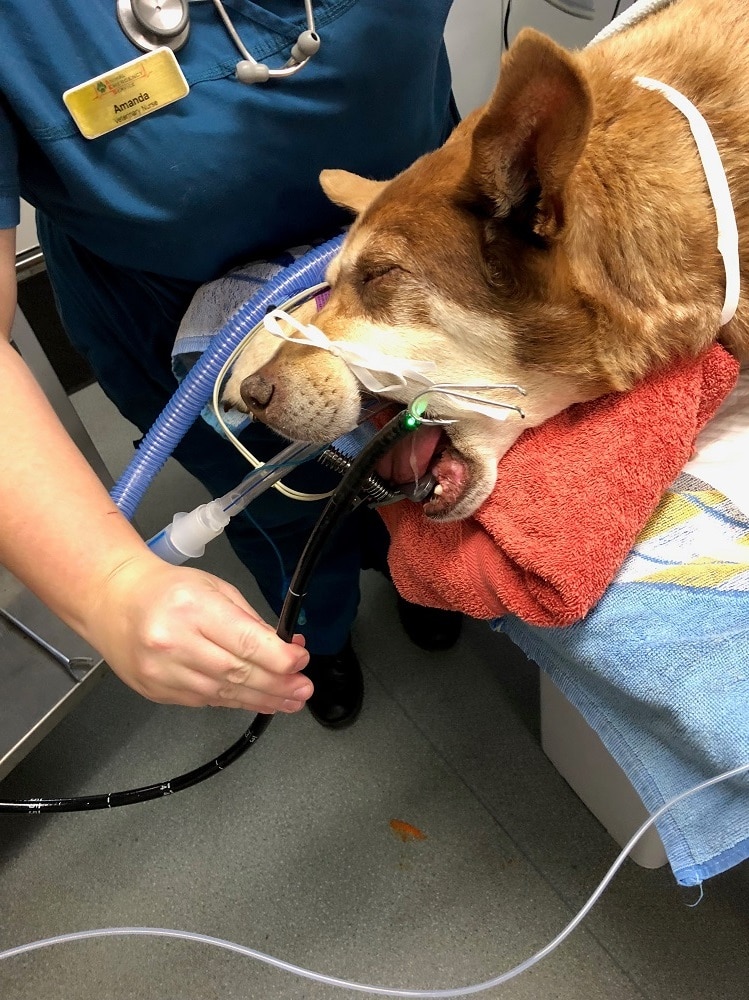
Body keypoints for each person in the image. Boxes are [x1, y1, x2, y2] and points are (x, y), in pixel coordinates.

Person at [0, 0, 463, 730]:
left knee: (420, 474)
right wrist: (108, 584)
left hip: (416, 265)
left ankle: (422, 583)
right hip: (182, 327)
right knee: (282, 518)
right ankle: (324, 639)